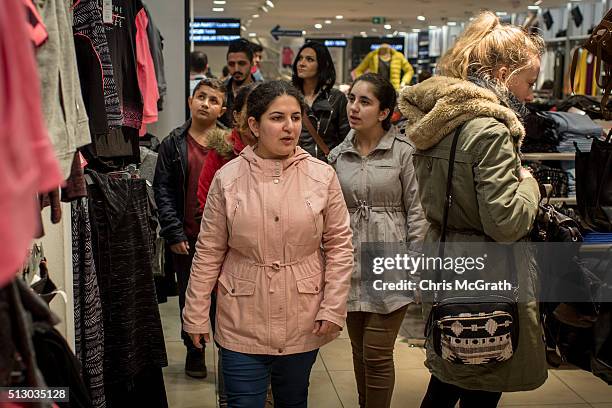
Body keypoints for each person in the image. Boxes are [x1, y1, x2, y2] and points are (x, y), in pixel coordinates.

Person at [397, 11, 547, 408]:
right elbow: (506, 221)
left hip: (445, 257)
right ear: (501, 74)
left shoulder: (439, 120)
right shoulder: (491, 130)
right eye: (528, 82)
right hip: (486, 268)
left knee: (450, 370)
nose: (531, 94)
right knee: (484, 375)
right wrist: (530, 185)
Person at [183, 80, 354, 407]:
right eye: (277, 118)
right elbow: (208, 251)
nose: (289, 127)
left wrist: (333, 306)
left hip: (303, 315)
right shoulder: (229, 178)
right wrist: (196, 311)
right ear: (254, 125)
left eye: (295, 117)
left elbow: (340, 247)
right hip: (241, 316)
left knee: (292, 400)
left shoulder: (322, 176)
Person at [328, 73, 428, 408]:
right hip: (349, 264)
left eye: (364, 101)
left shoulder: (405, 153)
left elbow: (418, 213)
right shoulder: (338, 156)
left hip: (391, 264)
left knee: (377, 353)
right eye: (351, 99)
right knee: (359, 352)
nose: (353, 107)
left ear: (384, 112)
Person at [153, 78, 227, 379]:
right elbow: (163, 190)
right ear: (190, 101)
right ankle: (194, 351)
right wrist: (173, 232)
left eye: (213, 100)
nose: (205, 104)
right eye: (201, 97)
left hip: (223, 237)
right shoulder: (173, 142)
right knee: (191, 295)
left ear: (222, 107)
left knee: (223, 298)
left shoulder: (228, 142)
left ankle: (227, 351)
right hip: (187, 236)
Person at [292, 41, 350, 161]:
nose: (301, 63)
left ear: (322, 65)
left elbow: (347, 139)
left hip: (326, 167)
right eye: (300, 58)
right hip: (294, 166)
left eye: (309, 59)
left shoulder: (336, 98)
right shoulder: (288, 95)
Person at [221, 38, 256, 127]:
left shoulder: (262, 92)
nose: (236, 69)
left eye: (242, 63)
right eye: (231, 64)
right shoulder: (220, 91)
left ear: (252, 63)